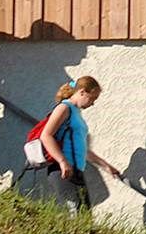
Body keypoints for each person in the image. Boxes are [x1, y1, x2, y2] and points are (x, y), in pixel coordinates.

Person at [30, 77, 123, 212]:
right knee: (76, 212)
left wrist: (106, 166)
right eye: (92, 99)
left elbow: (83, 149)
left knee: (83, 214)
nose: (92, 104)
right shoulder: (64, 108)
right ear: (82, 92)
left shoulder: (76, 113)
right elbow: (46, 136)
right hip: (62, 169)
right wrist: (62, 161)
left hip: (76, 170)